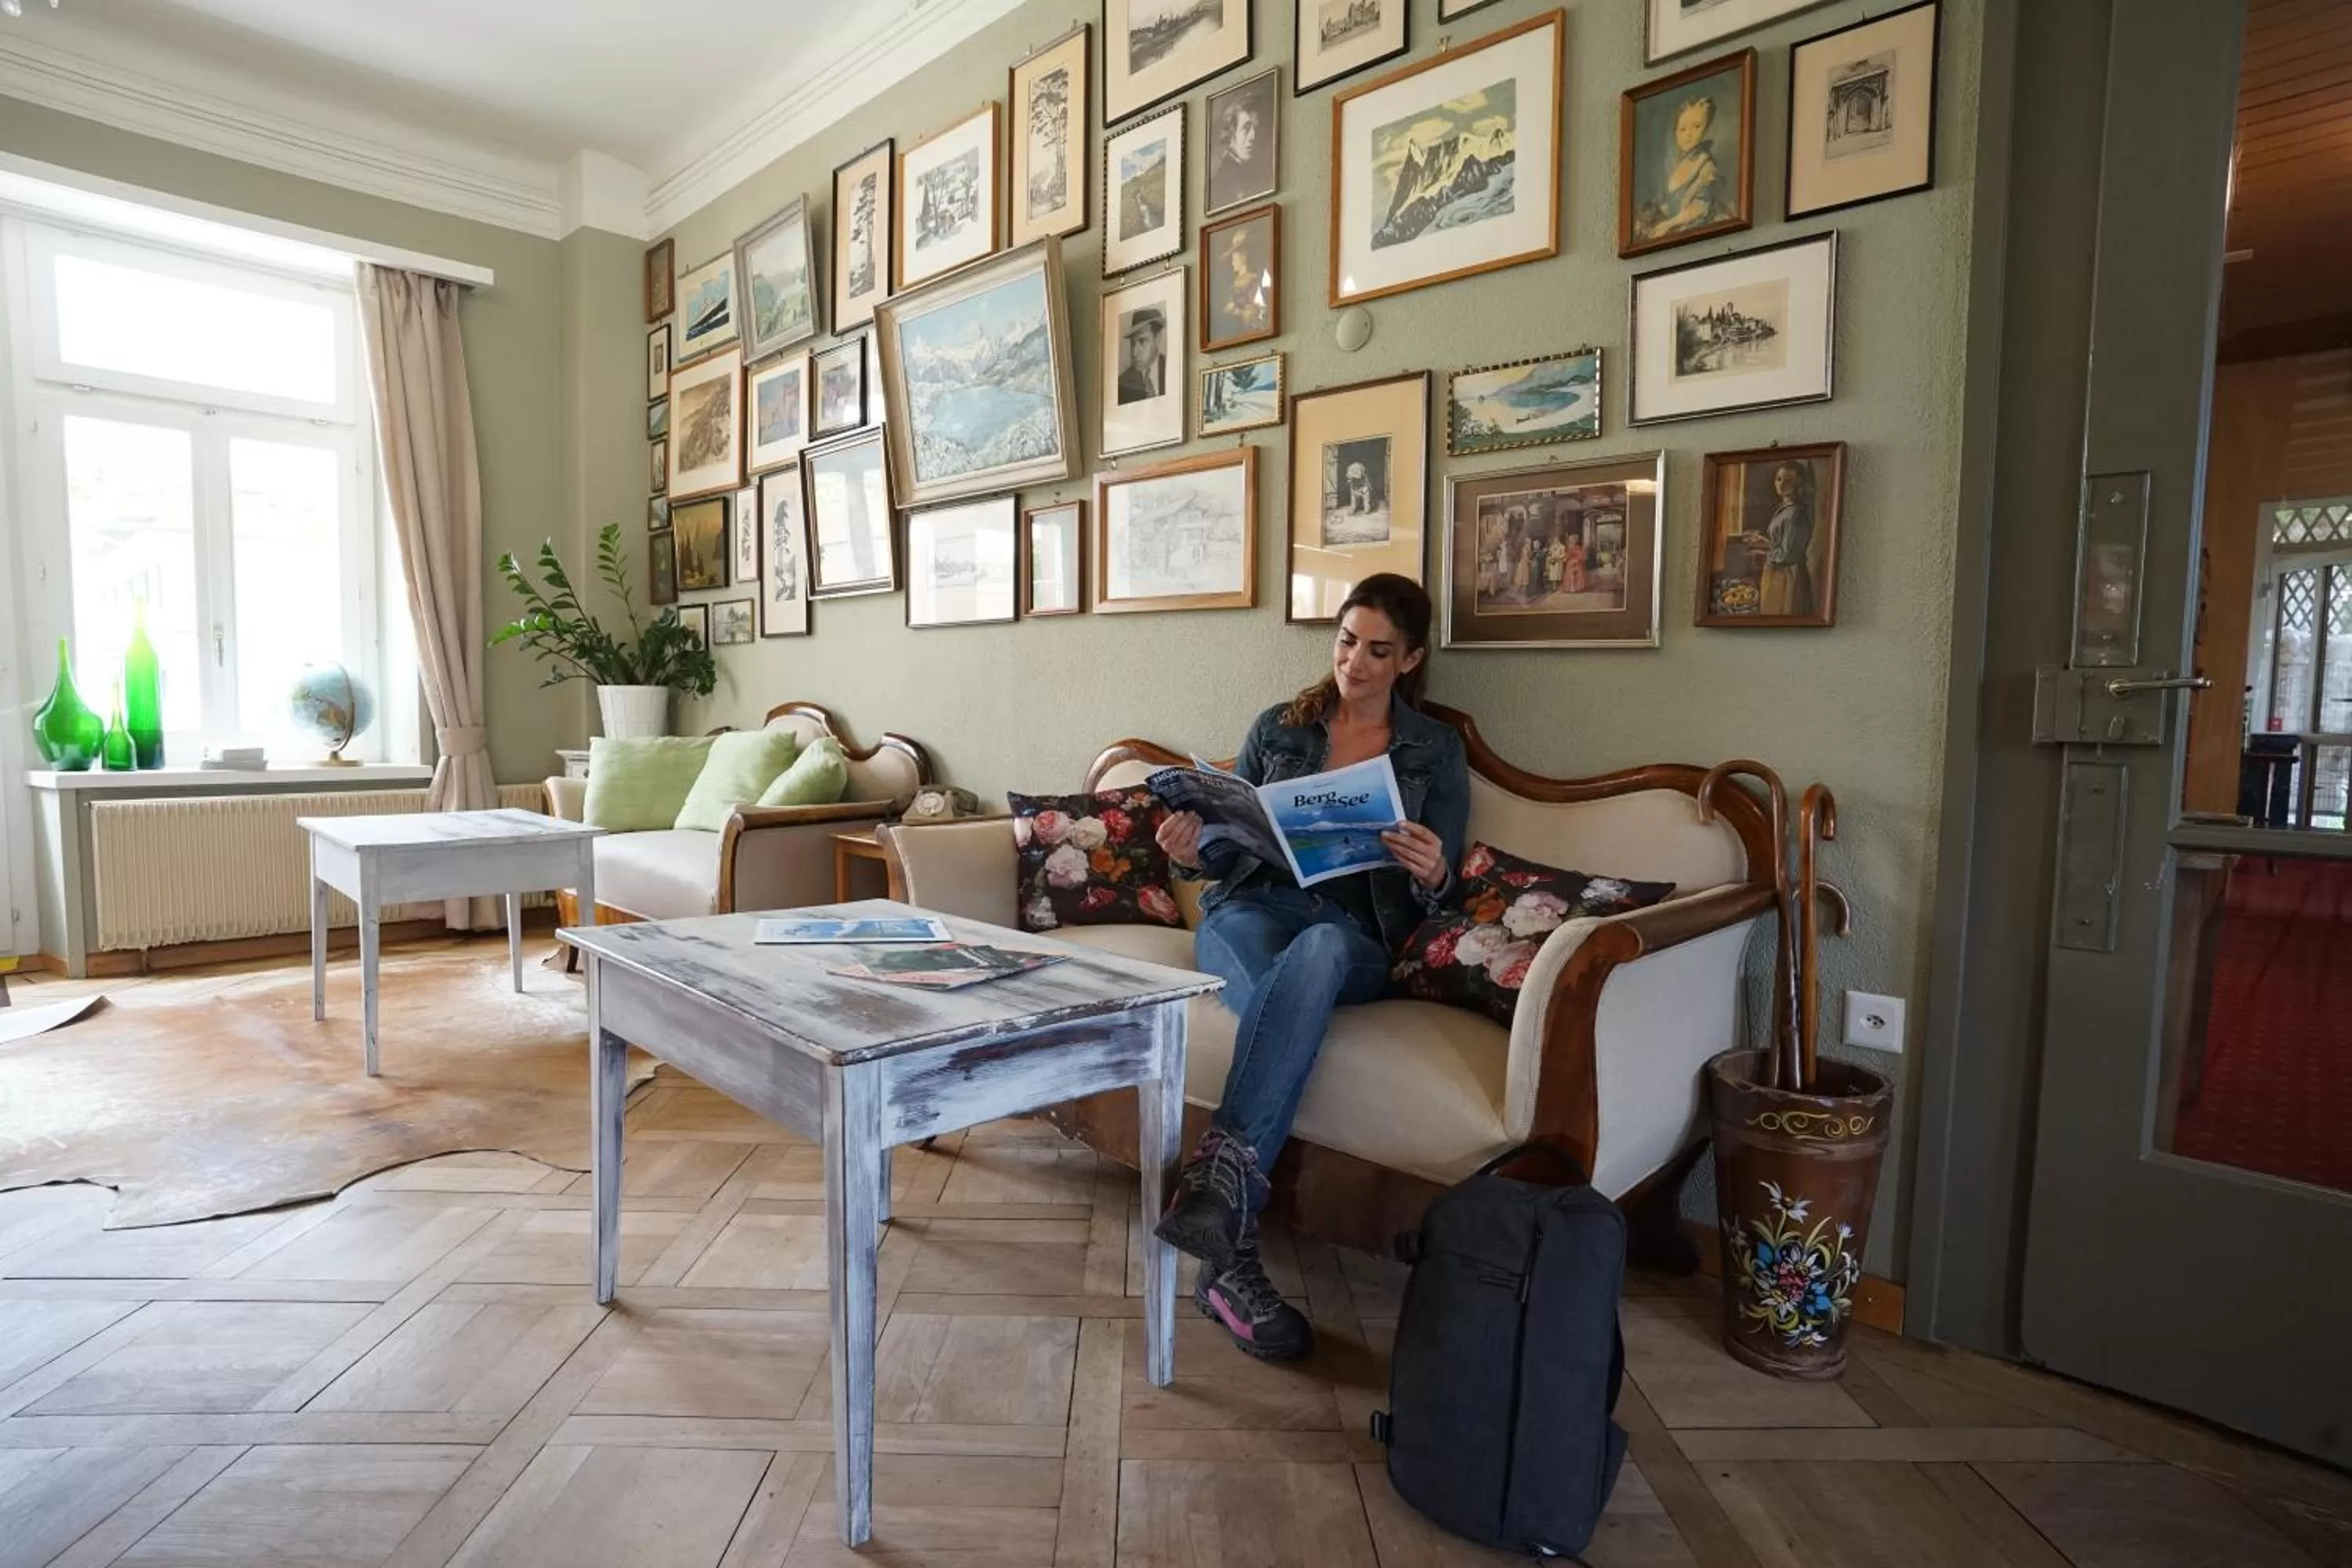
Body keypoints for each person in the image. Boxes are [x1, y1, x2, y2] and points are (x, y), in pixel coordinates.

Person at [1152, 574, 1468, 1360]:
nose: (1355, 662)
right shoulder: (1279, 728)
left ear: (1412, 659)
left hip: (1352, 935)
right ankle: (1229, 1239)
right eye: (1346, 640)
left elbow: (1447, 888)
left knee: (1318, 953)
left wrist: (1431, 869)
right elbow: (1231, 845)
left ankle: (1222, 1216)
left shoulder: (1436, 751)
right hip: (1248, 914)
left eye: (1378, 650)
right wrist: (1195, 852)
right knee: (1282, 985)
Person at [1635, 93, 1728, 241]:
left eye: (1696, 126)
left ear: (1707, 128)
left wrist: (1668, 225)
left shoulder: (1707, 168)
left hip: (1694, 232)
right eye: (1682, 129)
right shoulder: (1676, 162)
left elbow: (1699, 209)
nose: (1688, 135)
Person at [1744, 460, 1817, 616]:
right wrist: (1766, 543)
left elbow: (1789, 555)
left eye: (1788, 481)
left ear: (1799, 482)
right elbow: (1783, 545)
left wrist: (1763, 554)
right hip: (1777, 573)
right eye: (1779, 479)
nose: (1782, 484)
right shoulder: (1785, 509)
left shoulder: (1796, 514)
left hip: (1789, 578)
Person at [1117, 308, 1166, 404]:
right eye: (1133, 343)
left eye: (1142, 341)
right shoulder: (1122, 383)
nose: (1134, 352)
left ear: (1158, 339)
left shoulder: (1174, 369)